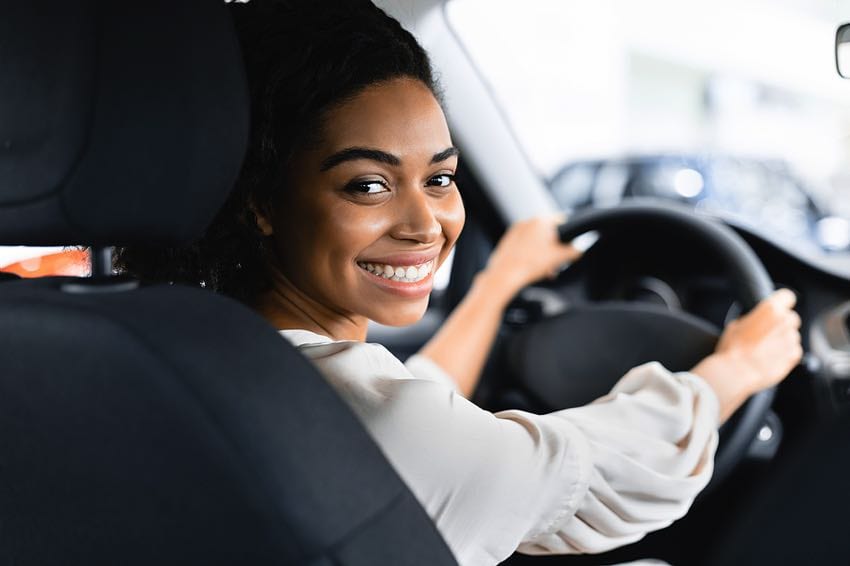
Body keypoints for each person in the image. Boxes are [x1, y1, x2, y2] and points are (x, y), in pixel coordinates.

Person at [117, 1, 802, 564]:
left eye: (441, 178)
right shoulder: (372, 428)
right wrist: (733, 371)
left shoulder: (169, 359)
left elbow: (415, 409)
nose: (426, 224)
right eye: (369, 185)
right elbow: (594, 472)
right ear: (260, 200)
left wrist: (496, 285)